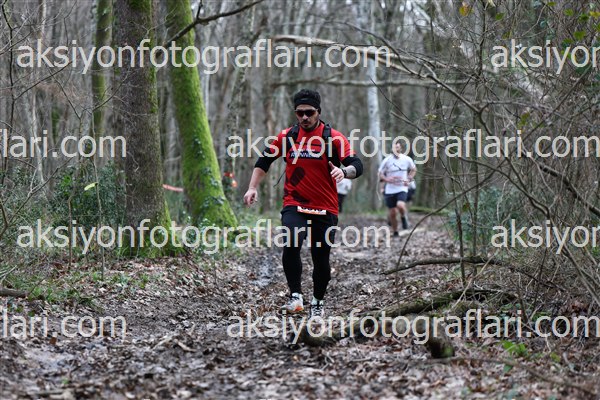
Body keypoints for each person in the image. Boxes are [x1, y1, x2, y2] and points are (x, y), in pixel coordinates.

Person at [243, 89, 363, 318]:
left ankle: (317, 302)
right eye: (300, 113)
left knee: (321, 257)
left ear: (318, 112)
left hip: (325, 206)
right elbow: (264, 161)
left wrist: (344, 171)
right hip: (294, 203)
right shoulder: (287, 136)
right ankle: (296, 296)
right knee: (291, 242)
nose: (305, 117)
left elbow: (357, 164)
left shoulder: (333, 138)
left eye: (309, 112)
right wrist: (252, 187)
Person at [378, 141, 416, 236]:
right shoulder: (387, 160)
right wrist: (386, 179)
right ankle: (395, 231)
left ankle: (403, 217)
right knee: (392, 213)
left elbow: (414, 169)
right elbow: (380, 173)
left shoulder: (406, 159)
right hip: (390, 189)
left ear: (401, 148)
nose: (395, 149)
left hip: (402, 188)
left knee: (400, 205)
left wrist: (409, 179)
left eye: (397, 147)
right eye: (394, 147)